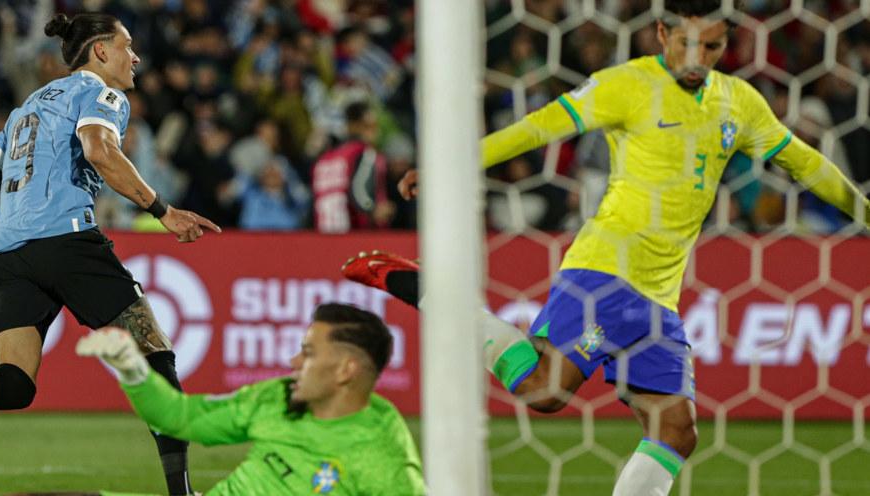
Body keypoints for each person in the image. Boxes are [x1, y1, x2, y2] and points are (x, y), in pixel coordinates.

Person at [345, 1, 870, 495]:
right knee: (545, 390)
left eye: (711, 47)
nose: (697, 59)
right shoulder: (629, 84)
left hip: (660, 295)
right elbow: (539, 126)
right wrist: (450, 163)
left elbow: (803, 161)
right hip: (607, 268)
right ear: (662, 33)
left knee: (676, 431)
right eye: (685, 43)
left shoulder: (739, 102)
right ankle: (436, 295)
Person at [0, 13, 219, 496]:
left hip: (5, 257)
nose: (135, 57)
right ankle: (181, 492)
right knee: (156, 352)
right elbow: (98, 151)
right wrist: (163, 211)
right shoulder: (102, 93)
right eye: (127, 45)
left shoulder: (25, 108)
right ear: (99, 52)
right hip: (66, 238)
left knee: (16, 381)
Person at [76, 303, 426, 495]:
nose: (294, 363)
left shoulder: (385, 460)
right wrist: (133, 371)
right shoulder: (277, 397)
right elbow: (179, 418)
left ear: (345, 370)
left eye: (308, 353)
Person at [312, 101, 395, 233]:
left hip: (324, 237)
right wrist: (372, 210)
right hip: (358, 235)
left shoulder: (323, 160)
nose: (375, 131)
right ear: (353, 125)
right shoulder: (366, 152)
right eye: (369, 126)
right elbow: (359, 189)